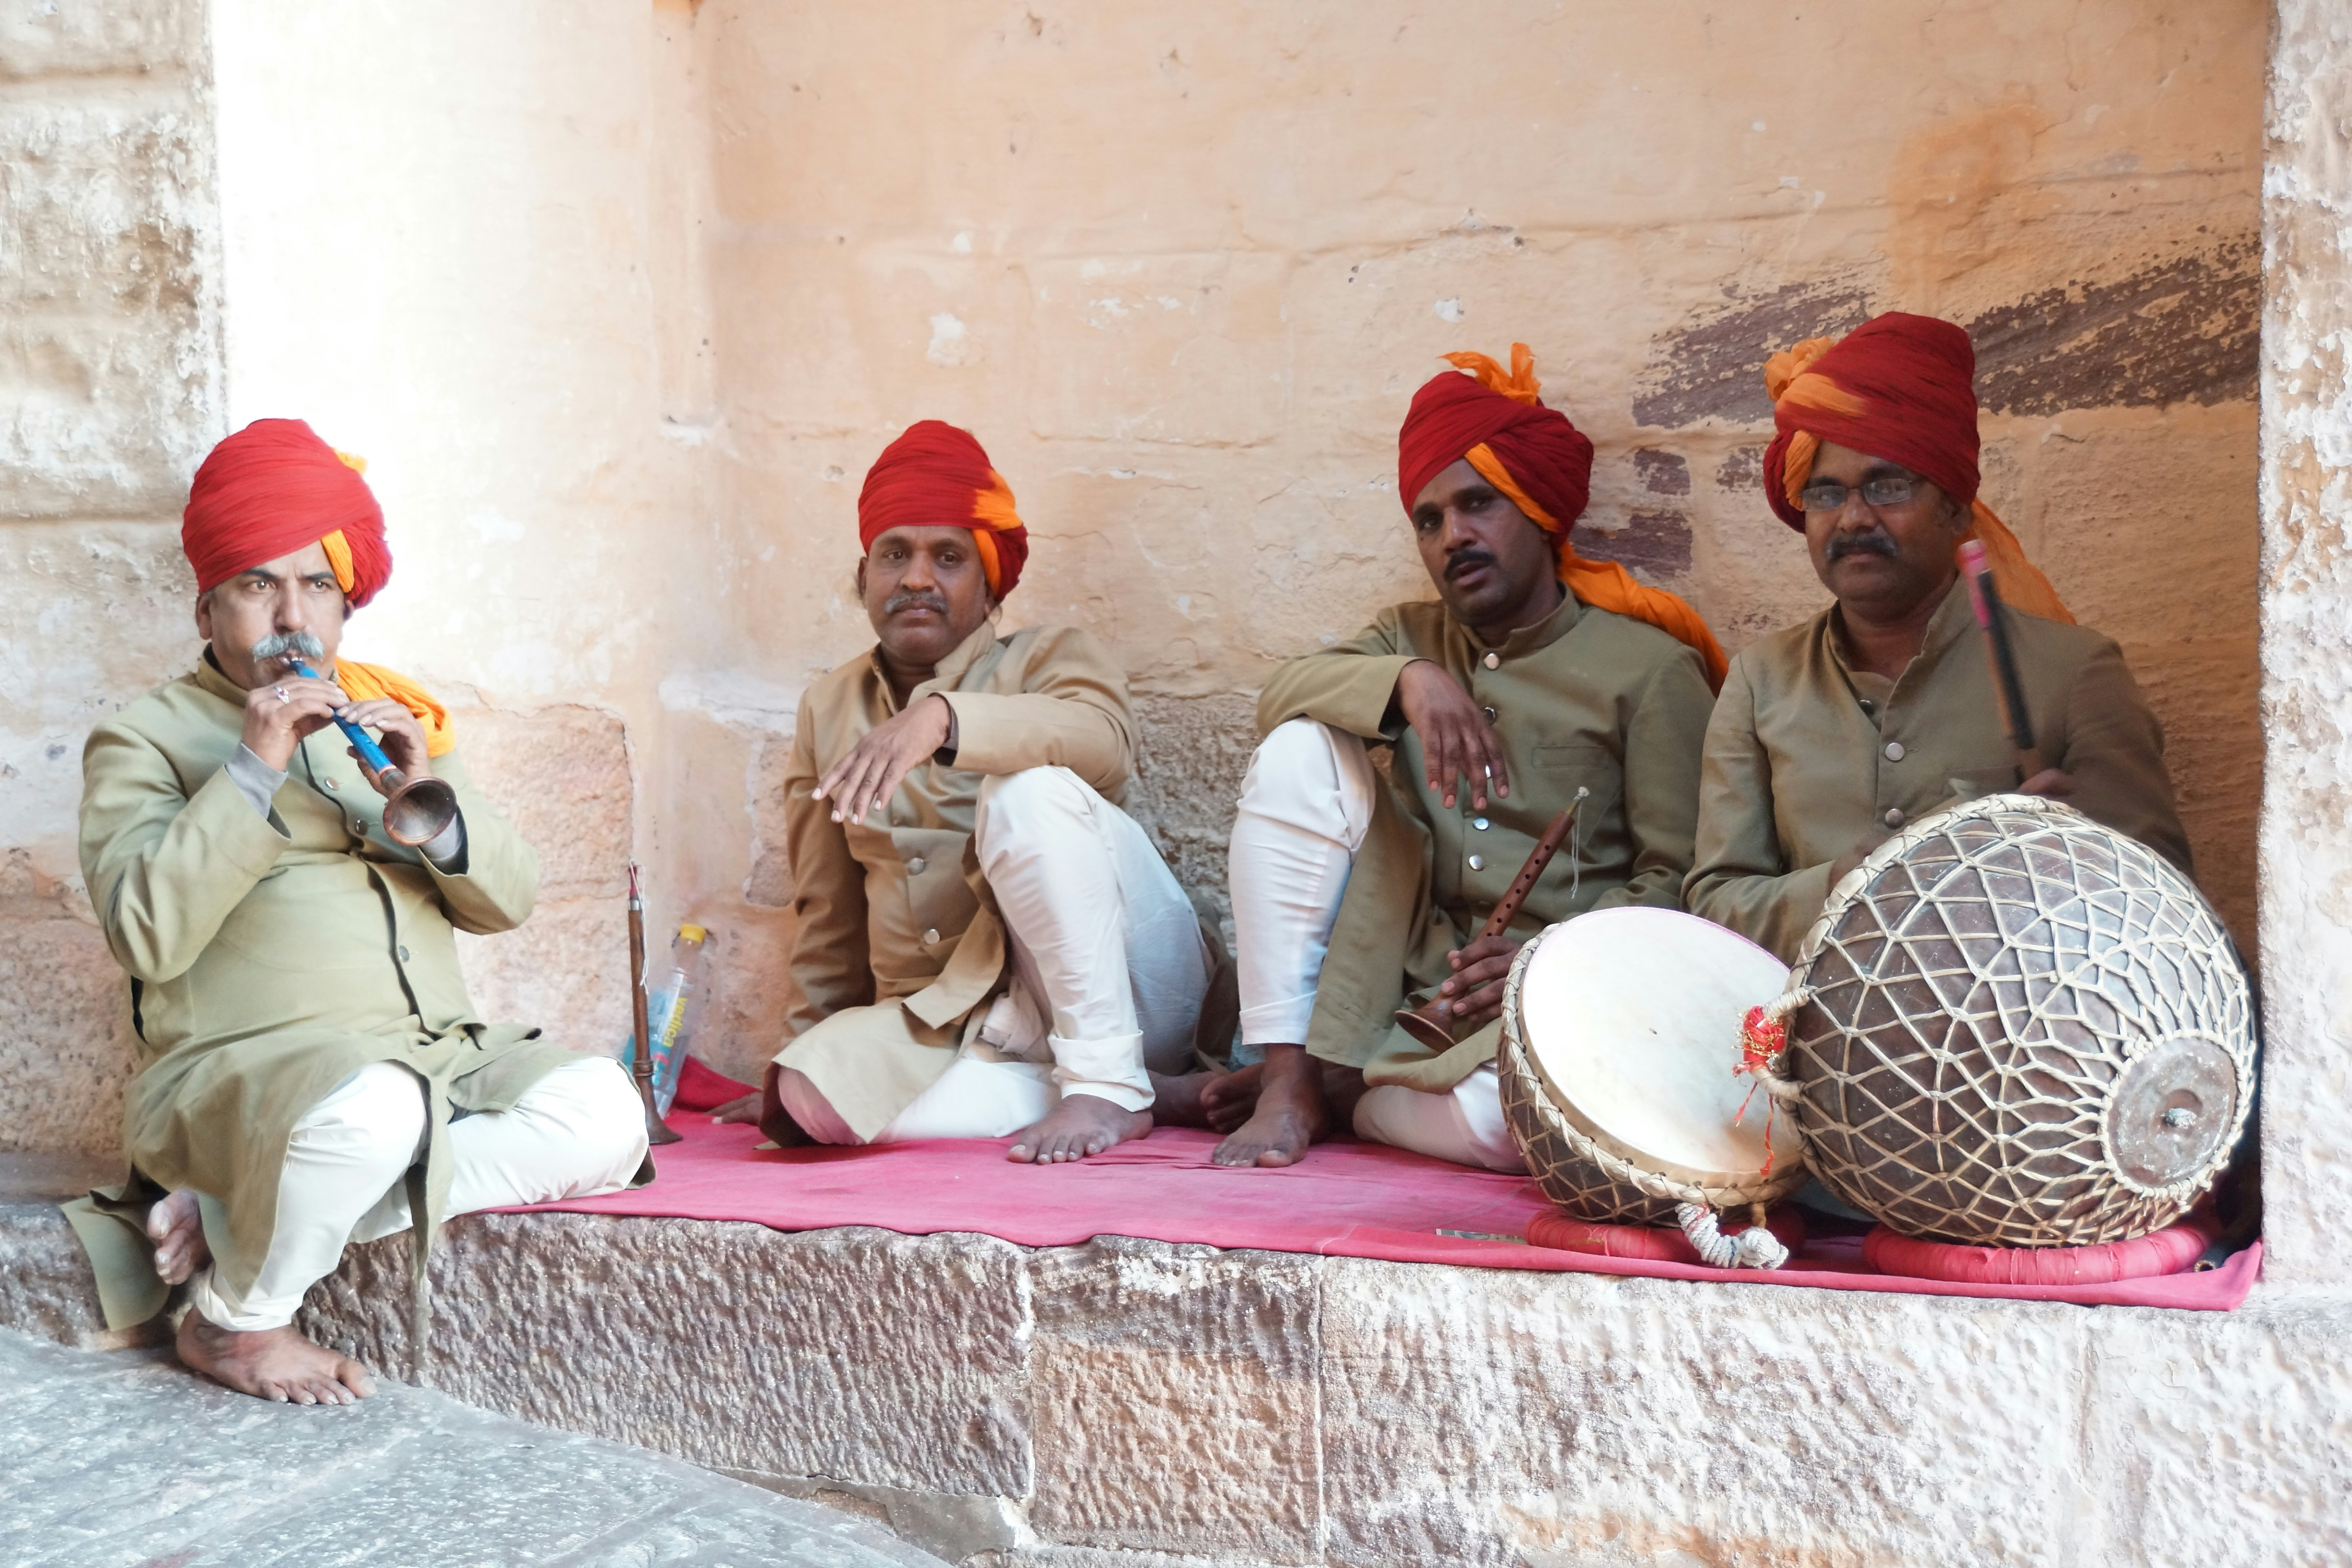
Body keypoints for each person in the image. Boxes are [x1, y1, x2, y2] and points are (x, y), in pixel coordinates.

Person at [67, 419, 649, 1405]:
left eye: (318, 586)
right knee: (373, 1107)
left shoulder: (394, 718)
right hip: (248, 1070)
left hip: (435, 1051)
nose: (291, 616)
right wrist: (253, 763)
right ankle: (236, 1323)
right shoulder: (144, 738)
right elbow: (147, 933)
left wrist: (435, 801)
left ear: (347, 600)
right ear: (208, 602)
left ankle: (241, 1208)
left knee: (606, 1110)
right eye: (259, 584)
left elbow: (508, 898)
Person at [1193, 345, 1724, 1170]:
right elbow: (1280, 692)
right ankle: (1294, 1074)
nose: (1453, 537)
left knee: (1511, 1123)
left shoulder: (1650, 671)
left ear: (1540, 511)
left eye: (1479, 504)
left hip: (1552, 992)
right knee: (1298, 747)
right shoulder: (1409, 636)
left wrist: (1558, 956)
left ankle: (1341, 1095)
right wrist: (1411, 679)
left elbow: (1681, 878)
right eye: (1430, 520)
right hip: (1403, 978)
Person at [742, 420, 1229, 1163]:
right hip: (961, 1021)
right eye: (894, 554)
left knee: (1027, 796)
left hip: (1131, 991)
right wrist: (814, 1057)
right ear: (864, 574)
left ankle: (1110, 1078)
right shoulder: (829, 708)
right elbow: (830, 913)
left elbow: (1105, 744)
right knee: (809, 1100)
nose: (915, 578)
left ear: (989, 580)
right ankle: (1145, 1094)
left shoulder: (1053, 657)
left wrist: (942, 719)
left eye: (948, 558)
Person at [1684, 312, 2192, 961]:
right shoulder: (1762, 679)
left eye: (1888, 486)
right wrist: (1842, 886)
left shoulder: (2075, 673)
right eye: (1826, 494)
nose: (1855, 517)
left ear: (1955, 508)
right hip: (1800, 1043)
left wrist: (2067, 862)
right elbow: (1714, 904)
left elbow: (2165, 904)